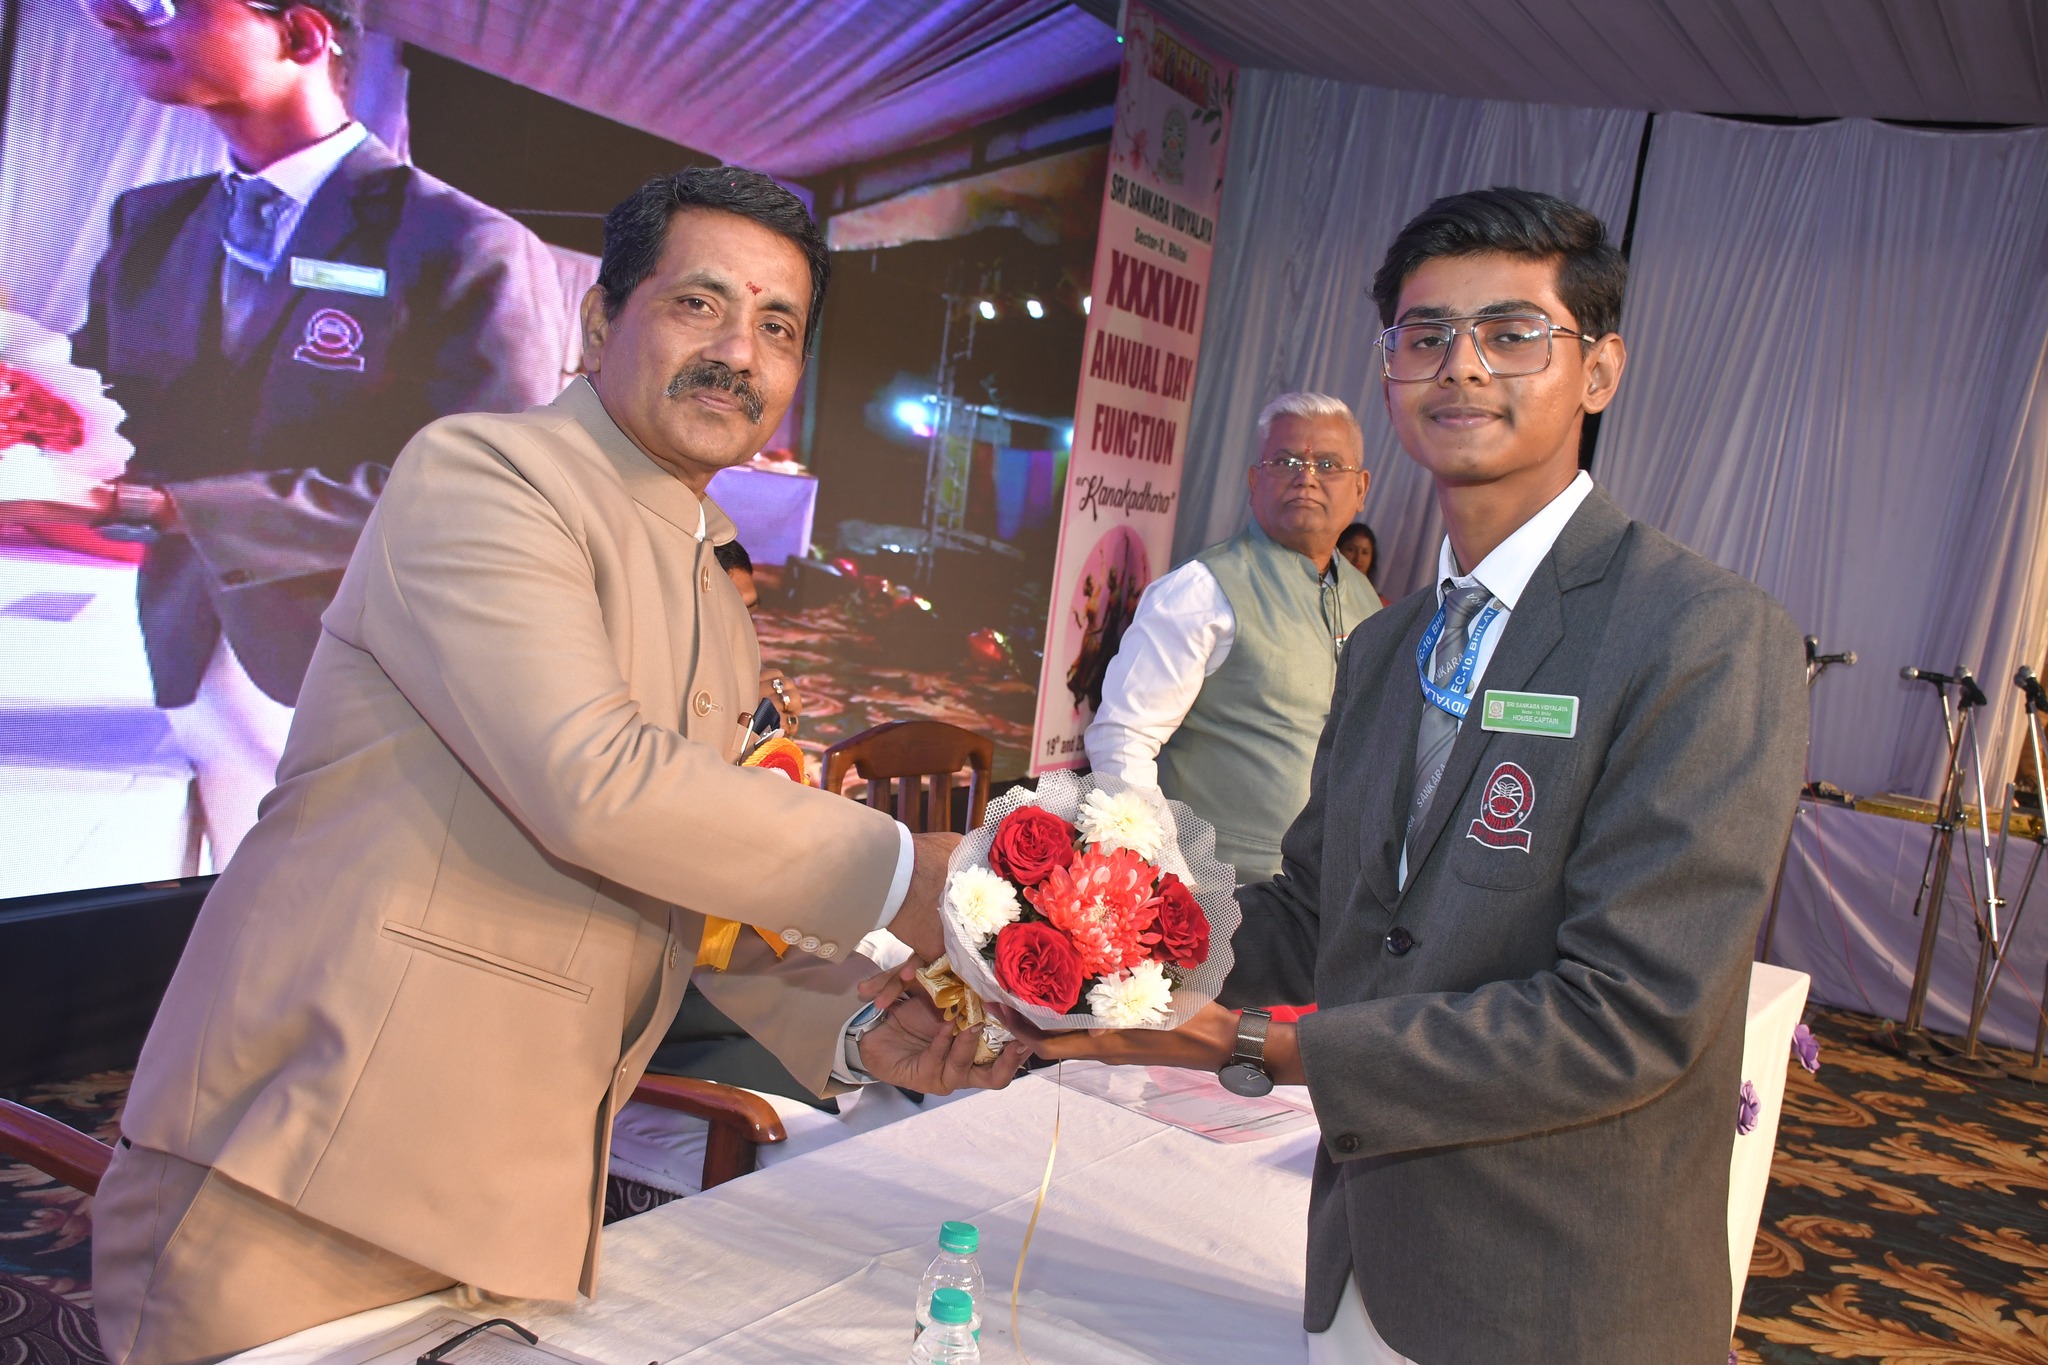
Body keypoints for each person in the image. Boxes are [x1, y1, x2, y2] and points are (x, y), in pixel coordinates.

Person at [91, 167, 1027, 1365]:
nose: (736, 353)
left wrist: (851, 1030)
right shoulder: (486, 475)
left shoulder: (713, 593)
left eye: (777, 326)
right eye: (698, 304)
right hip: (301, 1183)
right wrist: (911, 872)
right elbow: (594, 784)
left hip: (499, 1211)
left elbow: (686, 901)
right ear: (598, 322)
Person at [1031, 188, 1806, 1363]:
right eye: (1425, 334)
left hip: (1557, 1291)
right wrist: (1085, 947)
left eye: (1511, 333)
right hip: (1365, 1256)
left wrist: (1258, 1046)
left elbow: (1628, 1018)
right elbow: (1316, 912)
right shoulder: (1389, 643)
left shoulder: (1698, 634)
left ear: (1598, 371)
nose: (1462, 367)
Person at [57, 0, 566, 868]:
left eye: (160, 0)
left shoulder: (466, 243)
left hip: (373, 678)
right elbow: (100, 404)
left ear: (299, 32)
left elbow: (480, 499)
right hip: (185, 640)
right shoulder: (148, 223)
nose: (115, 17)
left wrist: (160, 506)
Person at [1084, 393, 1377, 880]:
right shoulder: (1201, 589)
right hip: (1218, 891)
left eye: (1328, 464)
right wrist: (1168, 875)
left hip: (1330, 892)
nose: (1306, 477)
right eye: (1285, 461)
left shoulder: (1366, 600)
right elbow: (1122, 740)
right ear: (1254, 481)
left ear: (1360, 488)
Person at [1336, 521, 1390, 606]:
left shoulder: (1380, 603)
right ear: (1338, 550)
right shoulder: (1325, 589)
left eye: (1365, 552)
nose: (1358, 558)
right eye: (1351, 550)